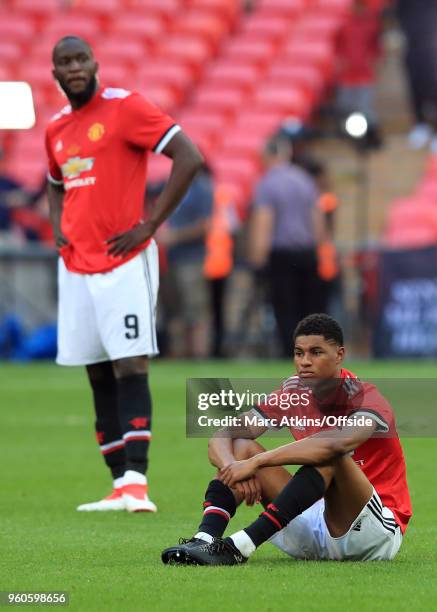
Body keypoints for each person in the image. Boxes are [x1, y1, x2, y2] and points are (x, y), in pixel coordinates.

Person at [45, 36, 203, 512]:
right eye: (64, 62)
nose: (74, 68)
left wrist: (150, 225)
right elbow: (55, 184)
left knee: (130, 363)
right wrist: (59, 230)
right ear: (54, 73)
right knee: (96, 370)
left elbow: (189, 157)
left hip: (123, 263)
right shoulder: (54, 128)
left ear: (95, 63)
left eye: (80, 59)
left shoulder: (126, 107)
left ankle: (138, 481)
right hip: (76, 266)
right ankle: (118, 483)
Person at [162, 313, 412, 565]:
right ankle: (205, 539)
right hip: (316, 524)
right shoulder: (294, 392)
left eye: (316, 352)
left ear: (339, 354)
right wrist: (234, 468)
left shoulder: (367, 398)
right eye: (298, 353)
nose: (305, 362)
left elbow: (334, 445)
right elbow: (224, 434)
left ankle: (239, 546)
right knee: (241, 445)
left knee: (329, 455)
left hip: (372, 534)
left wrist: (257, 463)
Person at [248, 136, 328, 357]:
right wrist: (319, 248)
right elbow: (317, 220)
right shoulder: (305, 180)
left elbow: (264, 222)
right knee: (308, 308)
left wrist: (258, 258)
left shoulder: (267, 184)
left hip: (281, 255)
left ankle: (290, 353)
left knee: (285, 308)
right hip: (307, 252)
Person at [158, 164, 213, 358]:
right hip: (173, 258)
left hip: (192, 258)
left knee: (195, 309)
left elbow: (205, 226)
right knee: (176, 309)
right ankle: (179, 353)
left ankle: (199, 354)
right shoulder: (176, 185)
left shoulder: (202, 188)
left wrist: (174, 237)